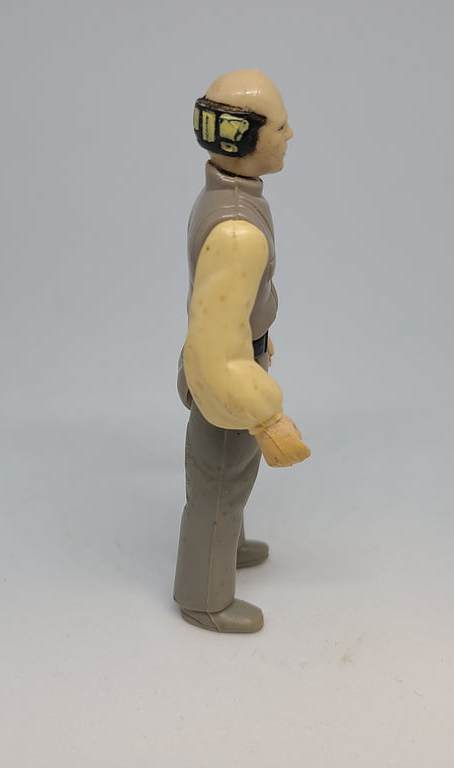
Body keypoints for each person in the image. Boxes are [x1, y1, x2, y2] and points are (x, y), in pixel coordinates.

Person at [173, 69, 310, 633]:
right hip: (226, 375)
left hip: (234, 357)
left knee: (231, 472)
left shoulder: (224, 201)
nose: (289, 135)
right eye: (279, 126)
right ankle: (204, 596)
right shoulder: (237, 232)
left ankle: (227, 545)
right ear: (245, 139)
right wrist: (266, 413)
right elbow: (219, 355)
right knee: (219, 482)